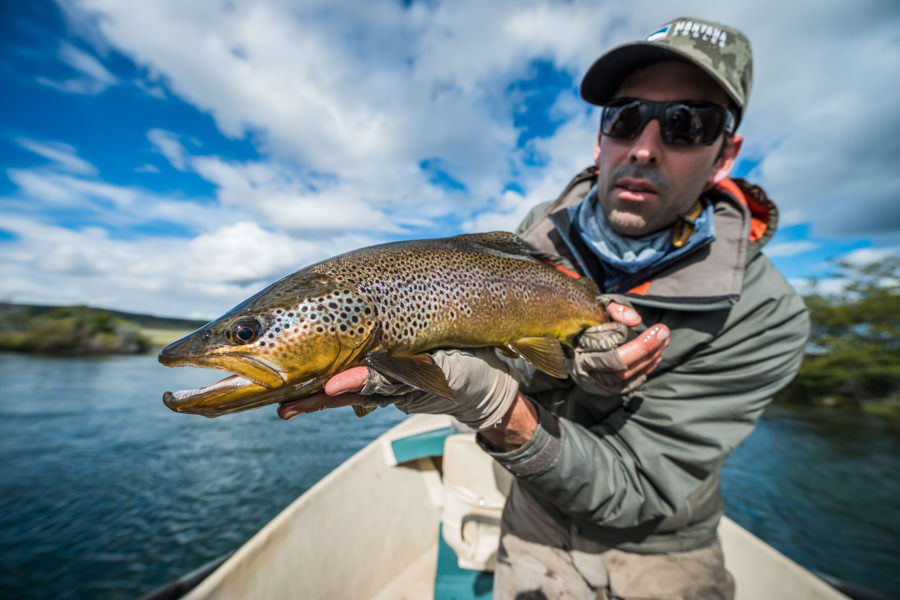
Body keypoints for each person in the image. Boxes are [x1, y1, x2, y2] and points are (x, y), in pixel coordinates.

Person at [278, 16, 810, 600]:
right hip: (528, 520)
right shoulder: (538, 234)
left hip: (661, 552)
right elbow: (514, 361)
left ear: (724, 154)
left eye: (688, 124)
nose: (644, 148)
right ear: (600, 136)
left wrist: (497, 405)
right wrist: (472, 380)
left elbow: (639, 487)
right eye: (626, 117)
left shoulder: (767, 313)